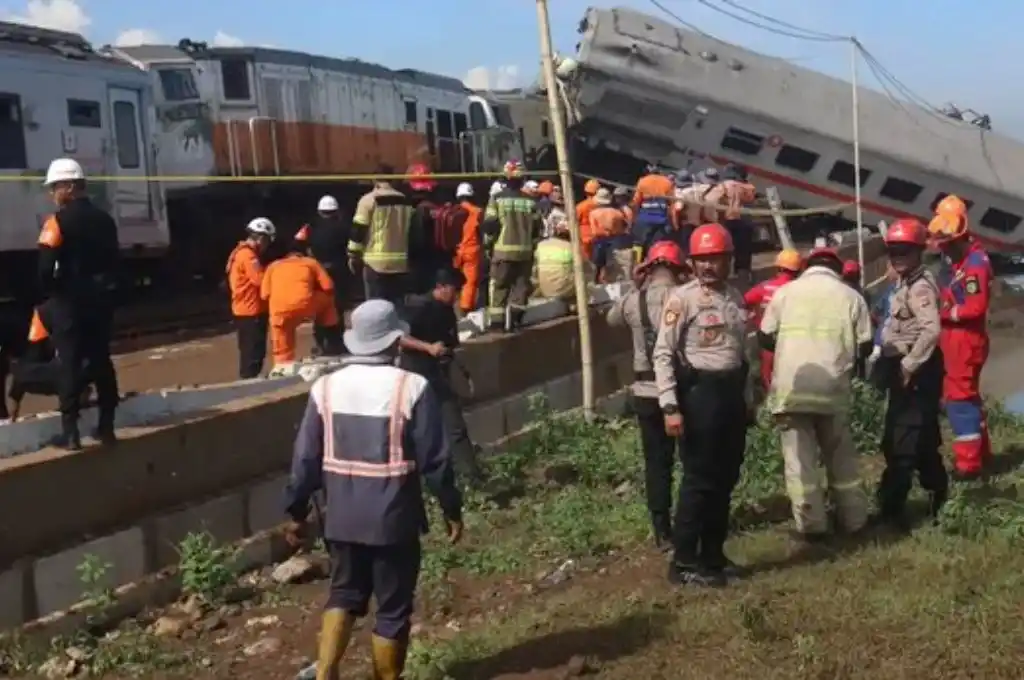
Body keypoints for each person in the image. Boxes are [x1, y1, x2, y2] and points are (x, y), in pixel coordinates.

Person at [282, 299, 463, 680]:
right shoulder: (412, 387)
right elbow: (436, 459)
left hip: (342, 519)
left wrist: (296, 512)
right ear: (396, 340)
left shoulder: (325, 388)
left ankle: (325, 672)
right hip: (394, 518)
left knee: (344, 593)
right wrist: (451, 507)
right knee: (393, 607)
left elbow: (304, 459)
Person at [653, 223, 754, 587]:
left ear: (729, 260)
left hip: (730, 394)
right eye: (702, 260)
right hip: (699, 396)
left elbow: (743, 354)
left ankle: (713, 555)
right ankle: (683, 561)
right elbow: (663, 354)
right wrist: (669, 407)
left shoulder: (736, 299)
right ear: (692, 263)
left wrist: (748, 399)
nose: (709, 267)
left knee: (726, 478)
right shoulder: (682, 300)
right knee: (699, 481)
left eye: (716, 259)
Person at [758, 246, 872, 541]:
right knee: (842, 459)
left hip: (792, 390)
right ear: (836, 269)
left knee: (800, 463)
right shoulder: (851, 297)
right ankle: (855, 520)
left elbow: (764, 336)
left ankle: (813, 526)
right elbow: (866, 345)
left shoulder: (786, 294)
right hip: (832, 391)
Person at [607, 241, 689, 550]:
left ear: (649, 268)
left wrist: (634, 285)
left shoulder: (633, 301)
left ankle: (661, 528)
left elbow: (612, 320)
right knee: (691, 458)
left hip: (644, 390)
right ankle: (690, 520)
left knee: (657, 461)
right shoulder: (683, 297)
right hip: (679, 389)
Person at [36, 158, 120, 450]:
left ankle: (70, 433)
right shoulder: (106, 220)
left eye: (55, 187)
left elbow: (45, 268)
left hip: (69, 301)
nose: (52, 194)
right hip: (100, 301)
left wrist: (55, 291)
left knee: (69, 362)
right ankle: (106, 426)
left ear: (69, 187)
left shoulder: (56, 222)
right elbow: (115, 263)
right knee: (101, 360)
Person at [874, 218, 948, 530]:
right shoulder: (903, 284)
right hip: (904, 368)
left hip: (917, 370)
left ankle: (891, 510)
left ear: (918, 252)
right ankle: (939, 496)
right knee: (922, 439)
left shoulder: (920, 288)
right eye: (893, 251)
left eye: (904, 251)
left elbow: (931, 331)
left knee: (901, 441)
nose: (897, 257)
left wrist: (908, 365)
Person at [929, 201, 993, 480]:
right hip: (958, 338)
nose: (943, 249)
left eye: (947, 244)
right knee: (968, 399)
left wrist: (943, 313)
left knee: (959, 399)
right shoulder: (962, 261)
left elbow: (975, 307)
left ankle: (968, 467)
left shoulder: (974, 266)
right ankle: (982, 453)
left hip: (964, 339)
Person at [401, 268, 482, 483]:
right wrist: (427, 347)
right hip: (415, 377)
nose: (457, 296)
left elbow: (450, 341)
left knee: (455, 428)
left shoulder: (446, 311)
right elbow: (399, 337)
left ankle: (472, 479)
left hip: (438, 375)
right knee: (414, 433)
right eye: (454, 290)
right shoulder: (419, 307)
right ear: (440, 287)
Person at [261, 240, 343, 369]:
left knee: (280, 334)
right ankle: (330, 337)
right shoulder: (310, 263)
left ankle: (282, 365)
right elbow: (329, 286)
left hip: (280, 312)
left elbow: (264, 295)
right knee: (328, 299)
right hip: (306, 306)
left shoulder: (272, 266)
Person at [482, 160, 542, 332]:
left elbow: (490, 226)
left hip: (502, 253)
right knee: (521, 289)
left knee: (499, 288)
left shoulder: (497, 199)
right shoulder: (531, 202)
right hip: (525, 254)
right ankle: (515, 323)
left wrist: (487, 247)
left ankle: (497, 326)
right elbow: (538, 230)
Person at [347, 165, 415, 305]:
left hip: (375, 264)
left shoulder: (368, 200)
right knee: (396, 307)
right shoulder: (405, 200)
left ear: (374, 179)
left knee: (375, 308)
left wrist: (353, 255)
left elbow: (358, 229)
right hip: (400, 263)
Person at [295, 195, 352, 345]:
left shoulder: (310, 227)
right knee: (337, 307)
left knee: (319, 307)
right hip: (338, 270)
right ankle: (337, 342)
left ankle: (320, 341)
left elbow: (298, 242)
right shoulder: (343, 227)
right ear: (336, 211)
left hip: (317, 270)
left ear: (319, 211)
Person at [743, 249, 802, 390]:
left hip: (768, 339)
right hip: (793, 339)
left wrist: (754, 314)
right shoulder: (801, 289)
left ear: (779, 268)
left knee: (767, 374)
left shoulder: (764, 287)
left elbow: (744, 301)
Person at [227, 218, 274, 379]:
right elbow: (259, 279)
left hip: (245, 309)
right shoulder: (248, 256)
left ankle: (248, 380)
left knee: (250, 351)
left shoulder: (241, 253)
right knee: (253, 353)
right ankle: (249, 384)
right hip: (251, 310)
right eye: (267, 241)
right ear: (261, 238)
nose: (266, 246)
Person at [704, 164, 757, 283]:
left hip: (727, 220)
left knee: (725, 248)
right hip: (745, 221)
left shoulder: (722, 186)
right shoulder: (749, 187)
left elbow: (711, 199)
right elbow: (751, 201)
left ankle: (723, 274)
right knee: (744, 249)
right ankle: (743, 275)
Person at [405, 163, 441, 296]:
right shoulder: (434, 207)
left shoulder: (418, 210)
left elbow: (417, 240)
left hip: (419, 259)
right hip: (434, 257)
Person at [588, 187, 633, 283]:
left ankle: (595, 283)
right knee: (612, 266)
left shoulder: (593, 213)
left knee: (597, 265)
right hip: (614, 240)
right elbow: (623, 228)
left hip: (599, 241)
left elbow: (594, 231)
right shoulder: (617, 213)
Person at [631, 166, 676, 258]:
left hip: (644, 218)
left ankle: (635, 263)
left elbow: (636, 202)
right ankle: (653, 262)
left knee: (638, 243)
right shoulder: (667, 182)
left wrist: (634, 218)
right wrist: (673, 223)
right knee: (657, 244)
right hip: (661, 219)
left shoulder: (642, 181)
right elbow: (672, 204)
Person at [452, 183, 483, 315]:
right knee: (470, 281)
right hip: (472, 250)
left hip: (456, 250)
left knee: (455, 279)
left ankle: (454, 304)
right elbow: (481, 231)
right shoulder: (477, 211)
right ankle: (465, 307)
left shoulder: (453, 210)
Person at [533, 221, 583, 301]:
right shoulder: (573, 247)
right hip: (565, 291)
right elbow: (589, 268)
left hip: (545, 290)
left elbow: (534, 269)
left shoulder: (541, 245)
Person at [575, 179, 600, 259]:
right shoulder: (601, 206)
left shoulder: (580, 206)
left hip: (583, 236)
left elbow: (575, 221)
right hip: (597, 235)